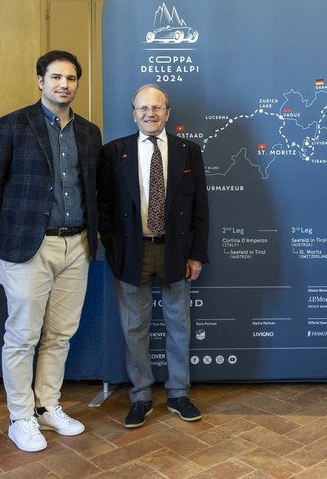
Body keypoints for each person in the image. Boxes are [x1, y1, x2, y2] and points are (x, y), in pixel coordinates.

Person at [0, 50, 102, 452]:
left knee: (60, 335)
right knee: (22, 336)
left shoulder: (88, 131)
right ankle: (21, 416)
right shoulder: (11, 126)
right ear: (40, 81)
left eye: (71, 78)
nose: (64, 84)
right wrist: (17, 226)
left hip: (78, 245)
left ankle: (48, 405)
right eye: (56, 77)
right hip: (29, 248)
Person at [97, 84, 209, 428]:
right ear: (133, 113)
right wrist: (113, 249)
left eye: (157, 108)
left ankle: (178, 393)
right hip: (132, 252)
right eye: (143, 108)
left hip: (175, 251)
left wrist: (196, 254)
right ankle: (141, 396)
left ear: (167, 113)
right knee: (134, 328)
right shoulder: (114, 152)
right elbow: (104, 207)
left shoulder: (189, 151)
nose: (150, 113)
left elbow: (200, 208)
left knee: (179, 325)